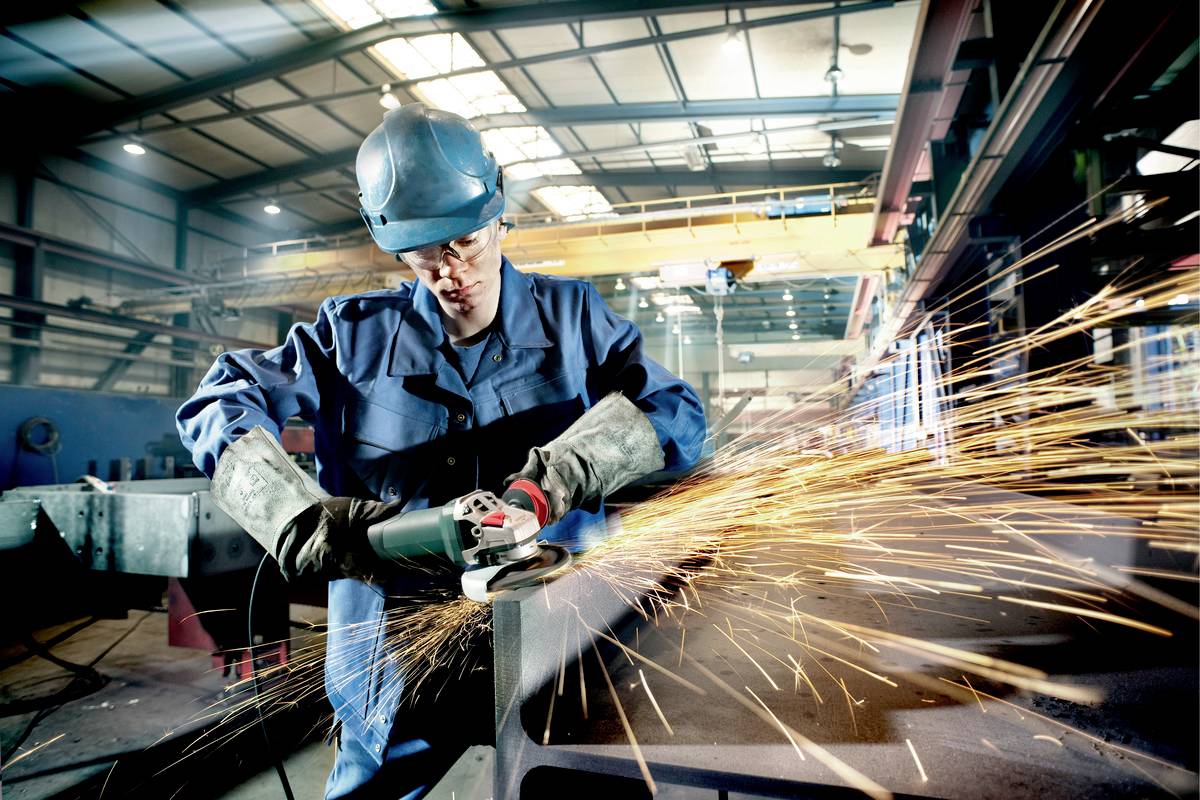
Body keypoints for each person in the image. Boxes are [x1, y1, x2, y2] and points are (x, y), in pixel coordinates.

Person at [176, 103, 706, 799]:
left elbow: (676, 413)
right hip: (396, 649)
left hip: (561, 629)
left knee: (585, 783)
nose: (448, 269)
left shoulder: (575, 318)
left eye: (465, 243)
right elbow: (218, 399)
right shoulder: (352, 335)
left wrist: (554, 481)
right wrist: (293, 515)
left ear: (498, 217)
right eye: (425, 252)